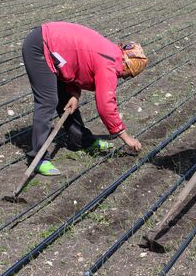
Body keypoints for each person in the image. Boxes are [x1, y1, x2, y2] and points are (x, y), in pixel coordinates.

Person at [21, 21, 148, 176]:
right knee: (47, 101)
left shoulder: (112, 52)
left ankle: (81, 140)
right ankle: (38, 158)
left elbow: (77, 63)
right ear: (126, 64)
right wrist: (126, 137)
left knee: (66, 99)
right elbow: (105, 105)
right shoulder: (109, 64)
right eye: (128, 74)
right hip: (40, 47)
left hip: (53, 45)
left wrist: (75, 93)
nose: (123, 76)